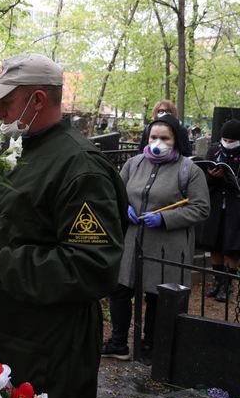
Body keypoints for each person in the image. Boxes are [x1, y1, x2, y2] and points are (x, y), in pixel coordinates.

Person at [0, 53, 128, 398]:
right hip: (10, 328)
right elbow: (8, 232)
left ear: (38, 99)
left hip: (53, 347)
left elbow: (93, 266)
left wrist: (2, 264)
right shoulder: (18, 152)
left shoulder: (80, 166)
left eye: (7, 101)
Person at [102, 114, 209, 362]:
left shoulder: (188, 171)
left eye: (164, 138)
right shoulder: (134, 163)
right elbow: (116, 194)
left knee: (156, 295)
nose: (157, 142)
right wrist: (123, 207)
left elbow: (201, 208)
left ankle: (149, 345)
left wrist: (166, 219)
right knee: (120, 289)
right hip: (132, 241)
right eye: (153, 137)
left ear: (176, 140)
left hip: (165, 246)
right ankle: (118, 343)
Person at [197, 119, 240, 302]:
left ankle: (227, 285)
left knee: (231, 245)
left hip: (235, 204)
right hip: (215, 203)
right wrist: (211, 176)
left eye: (232, 141)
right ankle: (217, 281)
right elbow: (204, 178)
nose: (227, 143)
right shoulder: (214, 150)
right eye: (225, 139)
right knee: (214, 242)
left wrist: (229, 177)